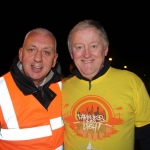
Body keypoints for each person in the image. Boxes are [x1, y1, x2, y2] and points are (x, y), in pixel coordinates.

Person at [62, 20, 150, 150]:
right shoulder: (62, 88)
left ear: (105, 49)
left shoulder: (132, 82)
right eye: (79, 47)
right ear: (71, 54)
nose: (86, 54)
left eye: (93, 46)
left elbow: (147, 135)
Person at [0, 28, 64, 150]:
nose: (38, 58)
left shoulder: (63, 87)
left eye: (46, 52)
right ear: (20, 54)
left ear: (54, 60)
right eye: (31, 50)